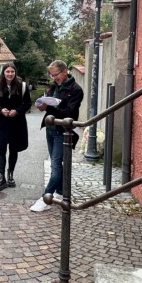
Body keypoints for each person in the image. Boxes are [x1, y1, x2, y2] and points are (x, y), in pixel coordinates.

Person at [30, 60, 83, 212]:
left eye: (56, 74)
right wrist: (42, 106)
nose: (54, 78)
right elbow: (45, 108)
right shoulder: (53, 87)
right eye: (51, 75)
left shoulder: (75, 89)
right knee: (57, 163)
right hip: (50, 129)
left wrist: (52, 107)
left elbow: (70, 113)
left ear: (65, 71)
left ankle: (46, 197)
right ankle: (60, 192)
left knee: (55, 165)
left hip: (63, 131)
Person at [0, 63, 31, 191]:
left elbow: (28, 103)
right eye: (7, 71)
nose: (10, 74)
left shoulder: (22, 86)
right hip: (2, 123)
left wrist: (17, 111)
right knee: (1, 149)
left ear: (15, 72)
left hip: (17, 123)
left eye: (12, 71)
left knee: (13, 150)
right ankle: (1, 177)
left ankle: (11, 174)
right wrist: (1, 110)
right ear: (3, 73)